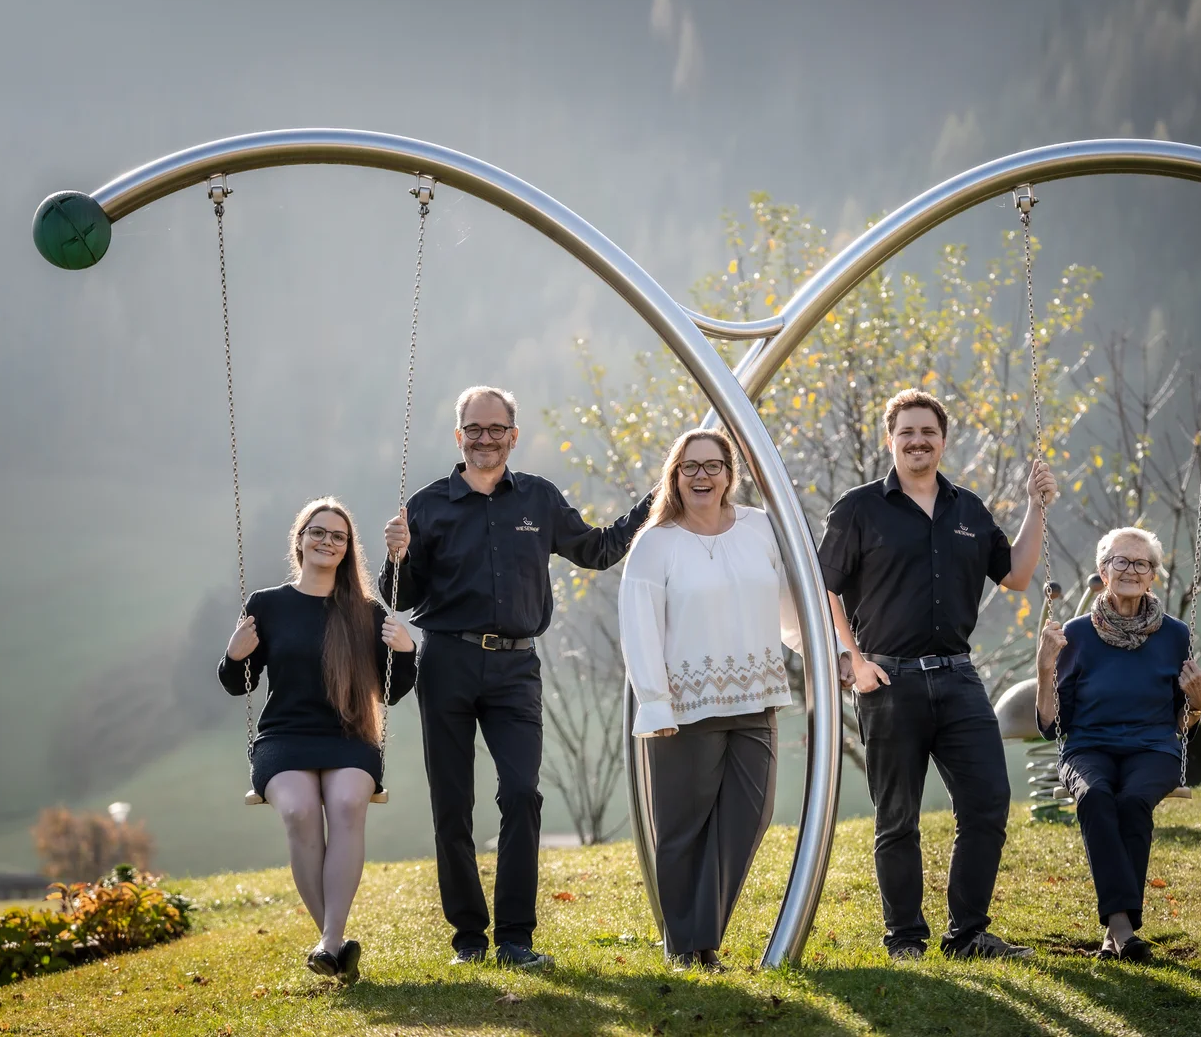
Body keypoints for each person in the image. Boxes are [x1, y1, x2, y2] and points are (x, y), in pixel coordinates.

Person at [381, 386, 654, 969]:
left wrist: (658, 499)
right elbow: (400, 599)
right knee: (452, 806)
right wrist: (396, 557)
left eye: (495, 428)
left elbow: (600, 550)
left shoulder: (539, 499)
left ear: (513, 434)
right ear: (459, 436)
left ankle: (515, 938)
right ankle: (468, 940)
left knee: (522, 794)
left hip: (515, 667)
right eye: (473, 429)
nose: (485, 438)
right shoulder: (427, 506)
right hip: (446, 662)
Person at [819, 387, 1057, 961]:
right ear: (890, 439)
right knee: (896, 816)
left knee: (989, 803)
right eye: (907, 432)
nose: (917, 441)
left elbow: (1018, 576)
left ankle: (968, 934)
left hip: (958, 679)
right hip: (888, 682)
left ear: (943, 441)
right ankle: (905, 938)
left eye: (928, 432)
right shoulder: (858, 508)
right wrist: (853, 661)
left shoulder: (968, 509)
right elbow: (822, 587)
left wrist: (1036, 506)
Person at [618, 429, 801, 971]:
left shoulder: (761, 529)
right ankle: (689, 949)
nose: (702, 476)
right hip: (683, 707)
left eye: (713, 465)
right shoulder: (656, 543)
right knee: (682, 829)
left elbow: (790, 605)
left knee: (749, 817)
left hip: (755, 697)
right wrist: (655, 704)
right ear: (674, 476)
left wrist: (829, 656)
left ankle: (700, 936)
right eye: (689, 467)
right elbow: (639, 627)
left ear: (729, 474)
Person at [219, 497, 417, 984]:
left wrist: (407, 652)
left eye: (338, 536)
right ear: (301, 539)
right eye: (318, 532)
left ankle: (329, 943)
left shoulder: (365, 613)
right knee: (299, 812)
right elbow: (239, 684)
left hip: (349, 737)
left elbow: (389, 693)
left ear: (348, 550)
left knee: (349, 802)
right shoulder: (267, 605)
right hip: (283, 737)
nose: (327, 541)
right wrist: (232, 654)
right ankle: (332, 942)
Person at [1035, 527, 1201, 961]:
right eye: (1121, 561)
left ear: (1153, 576)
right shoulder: (1074, 634)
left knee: (1132, 802)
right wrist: (1043, 668)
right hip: (1088, 748)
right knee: (1095, 797)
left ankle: (1118, 932)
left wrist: (1200, 704)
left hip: (1154, 750)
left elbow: (1183, 724)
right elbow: (1050, 724)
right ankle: (1122, 930)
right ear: (1103, 570)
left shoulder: (1174, 636)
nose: (1131, 570)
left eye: (1141, 563)